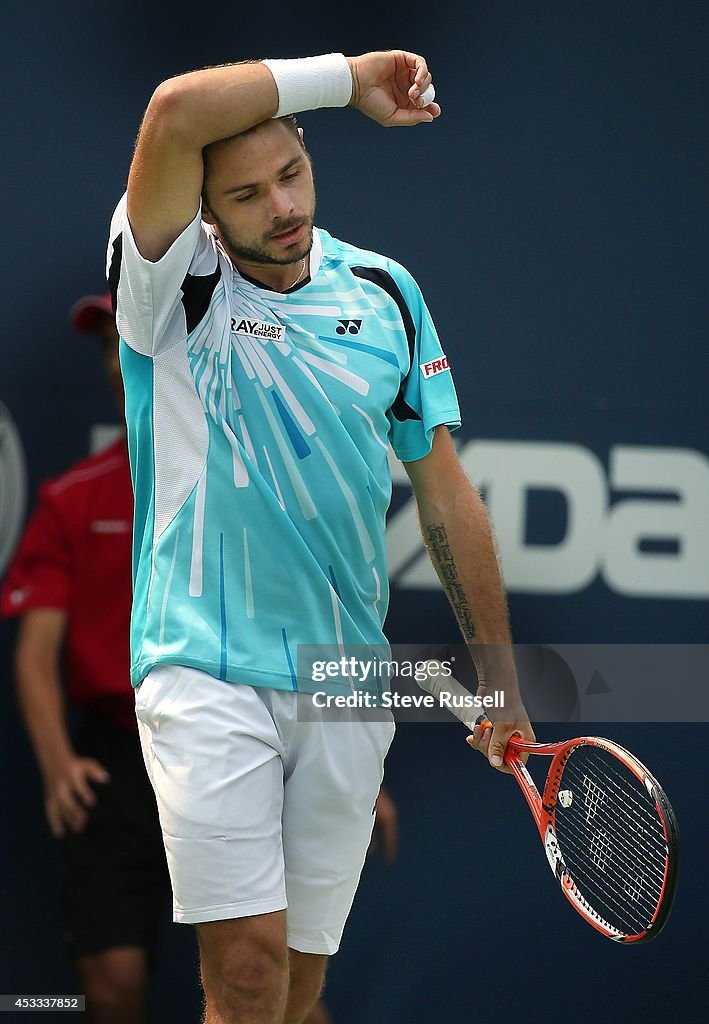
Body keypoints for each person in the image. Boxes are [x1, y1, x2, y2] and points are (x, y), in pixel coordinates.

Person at [108, 49, 534, 1024]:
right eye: (247, 194)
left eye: (290, 175)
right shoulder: (173, 282)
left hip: (343, 678)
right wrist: (347, 80)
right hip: (202, 658)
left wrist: (499, 675)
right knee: (248, 971)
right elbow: (174, 107)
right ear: (205, 210)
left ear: (307, 155)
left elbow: (444, 492)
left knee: (299, 990)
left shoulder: (384, 291)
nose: (280, 206)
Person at [0, 294, 173, 1022]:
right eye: (108, 347)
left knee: (270, 981)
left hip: (238, 749)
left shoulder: (254, 491)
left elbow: (304, 630)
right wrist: (57, 764)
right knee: (109, 989)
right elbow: (35, 654)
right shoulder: (72, 499)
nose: (117, 361)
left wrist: (346, 766)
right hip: (117, 761)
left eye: (132, 341)